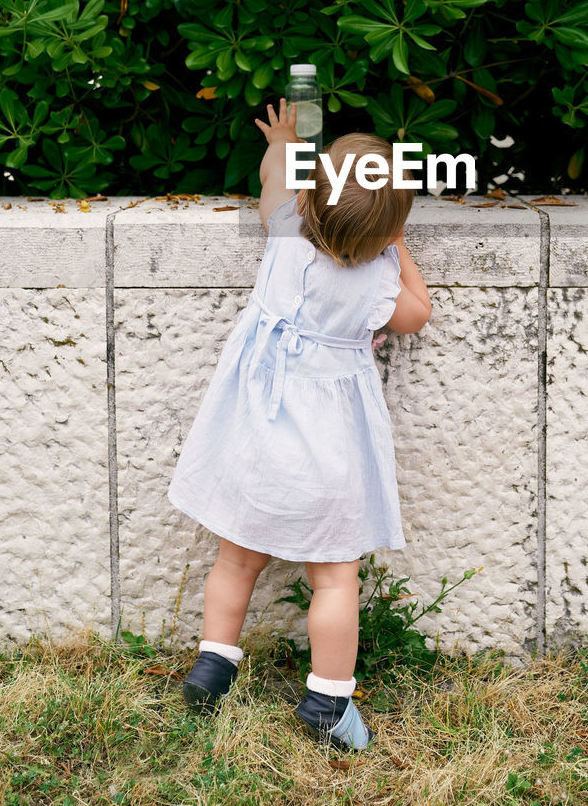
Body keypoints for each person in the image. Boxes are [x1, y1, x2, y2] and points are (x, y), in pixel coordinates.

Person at [167, 98, 432, 752]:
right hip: (326, 451)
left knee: (236, 555)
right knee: (334, 575)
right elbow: (418, 313)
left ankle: (213, 661)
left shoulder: (284, 231)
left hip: (253, 438)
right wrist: (396, 246)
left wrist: (284, 140)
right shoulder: (376, 280)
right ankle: (327, 702)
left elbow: (273, 178)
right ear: (387, 227)